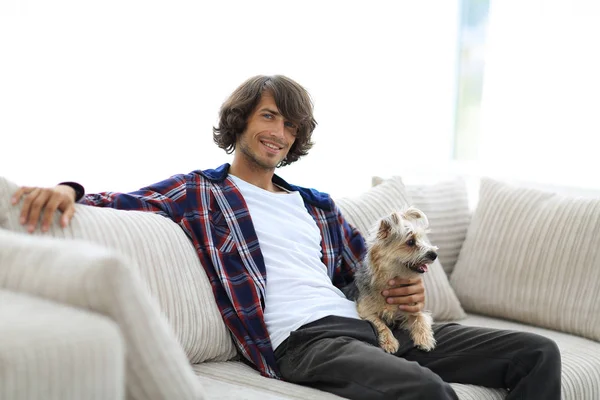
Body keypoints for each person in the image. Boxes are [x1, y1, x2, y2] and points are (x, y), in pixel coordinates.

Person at [12, 75, 561, 400]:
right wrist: (66, 188)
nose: (279, 133)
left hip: (368, 325)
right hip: (303, 342)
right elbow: (117, 201)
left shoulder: (316, 205)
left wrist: (409, 293)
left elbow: (370, 271)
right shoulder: (201, 193)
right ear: (241, 121)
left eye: (290, 126)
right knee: (426, 392)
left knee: (537, 353)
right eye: (269, 117)